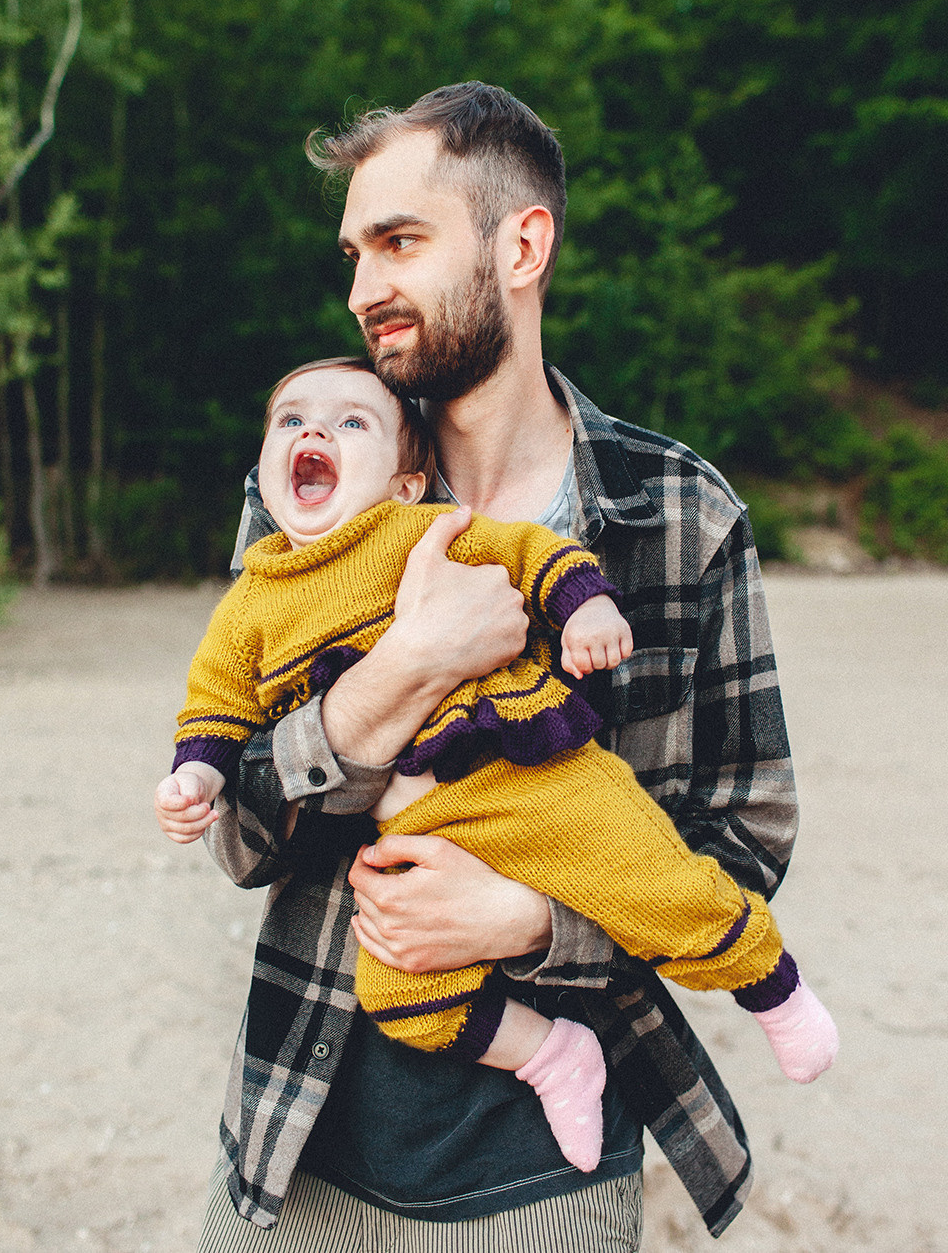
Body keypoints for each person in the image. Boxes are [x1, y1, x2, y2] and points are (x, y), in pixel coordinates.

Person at [182, 83, 802, 1252]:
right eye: (356, 252)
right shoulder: (304, 496)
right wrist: (401, 673)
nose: (366, 287)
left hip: (546, 1176)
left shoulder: (679, 516)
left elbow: (744, 838)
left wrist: (529, 919)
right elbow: (238, 836)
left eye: (401, 242)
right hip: (295, 1137)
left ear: (522, 244)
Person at [155, 357, 835, 1173]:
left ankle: (770, 982)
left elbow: (524, 550)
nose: (313, 433)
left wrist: (584, 603)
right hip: (417, 834)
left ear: (409, 484)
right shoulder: (250, 604)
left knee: (652, 879)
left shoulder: (419, 532)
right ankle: (552, 1055)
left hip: (529, 780)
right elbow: (216, 711)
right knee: (402, 994)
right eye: (290, 421)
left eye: (349, 424)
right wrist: (195, 776)